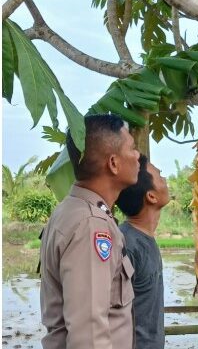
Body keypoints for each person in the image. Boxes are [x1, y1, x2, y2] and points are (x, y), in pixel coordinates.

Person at [39, 114, 140, 349]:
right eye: (132, 148)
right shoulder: (91, 224)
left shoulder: (72, 209)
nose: (138, 156)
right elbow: (89, 336)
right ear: (113, 163)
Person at [115, 155, 171, 349]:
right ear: (151, 196)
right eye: (160, 177)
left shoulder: (145, 239)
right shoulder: (125, 244)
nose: (165, 180)